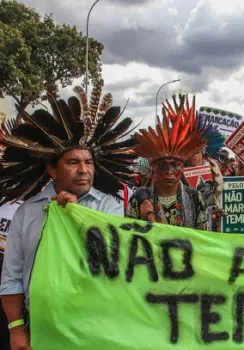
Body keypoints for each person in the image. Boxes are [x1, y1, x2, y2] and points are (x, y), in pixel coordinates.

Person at [0, 84, 137, 350]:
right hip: (42, 327)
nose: (84, 170)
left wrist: (78, 217)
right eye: (73, 162)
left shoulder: (111, 208)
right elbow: (12, 275)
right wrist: (16, 329)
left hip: (100, 326)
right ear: (52, 169)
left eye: (88, 162)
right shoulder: (27, 213)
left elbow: (115, 261)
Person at [127, 95, 213, 230]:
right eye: (163, 165)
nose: (169, 170)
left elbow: (203, 238)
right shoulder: (138, 198)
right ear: (154, 167)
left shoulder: (195, 198)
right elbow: (128, 238)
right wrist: (143, 221)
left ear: (182, 167)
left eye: (175, 165)